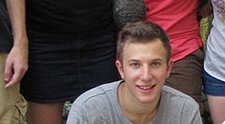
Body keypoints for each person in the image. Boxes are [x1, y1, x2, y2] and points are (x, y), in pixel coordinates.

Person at [66, 21, 201, 124]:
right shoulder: (88, 111)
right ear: (121, 69)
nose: (146, 76)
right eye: (135, 65)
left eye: (155, 64)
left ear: (168, 68)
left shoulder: (185, 111)